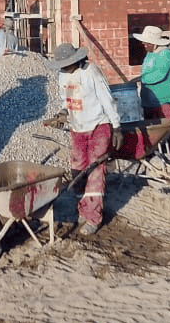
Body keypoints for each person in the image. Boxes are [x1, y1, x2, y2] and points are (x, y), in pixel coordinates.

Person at [50, 42, 120, 236]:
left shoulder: (91, 72)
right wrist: (62, 113)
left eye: (66, 64)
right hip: (77, 128)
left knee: (95, 172)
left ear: (75, 60)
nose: (63, 68)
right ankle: (83, 208)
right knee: (78, 172)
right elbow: (65, 100)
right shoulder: (63, 75)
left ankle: (93, 217)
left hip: (98, 126)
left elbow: (107, 99)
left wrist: (117, 127)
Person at [133, 25, 170, 120]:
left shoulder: (166, 54)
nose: (144, 45)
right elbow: (146, 72)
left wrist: (141, 79)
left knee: (167, 127)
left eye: (147, 43)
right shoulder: (150, 54)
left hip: (164, 101)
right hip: (148, 101)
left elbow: (158, 75)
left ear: (155, 43)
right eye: (144, 42)